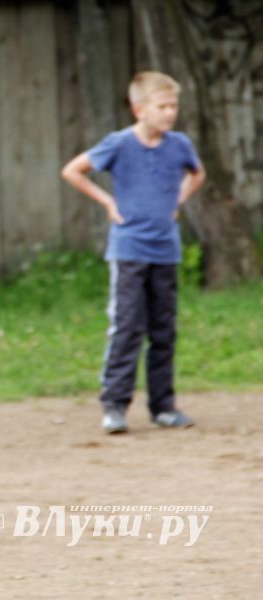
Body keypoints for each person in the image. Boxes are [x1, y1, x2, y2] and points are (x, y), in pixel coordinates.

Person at [61, 70, 206, 434]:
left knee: (163, 330)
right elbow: (73, 171)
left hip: (166, 251)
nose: (170, 113)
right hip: (128, 251)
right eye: (162, 106)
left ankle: (163, 407)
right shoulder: (118, 144)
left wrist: (179, 200)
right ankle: (114, 406)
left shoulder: (179, 145)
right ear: (139, 108)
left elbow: (197, 174)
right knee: (127, 327)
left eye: (174, 106)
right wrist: (108, 202)